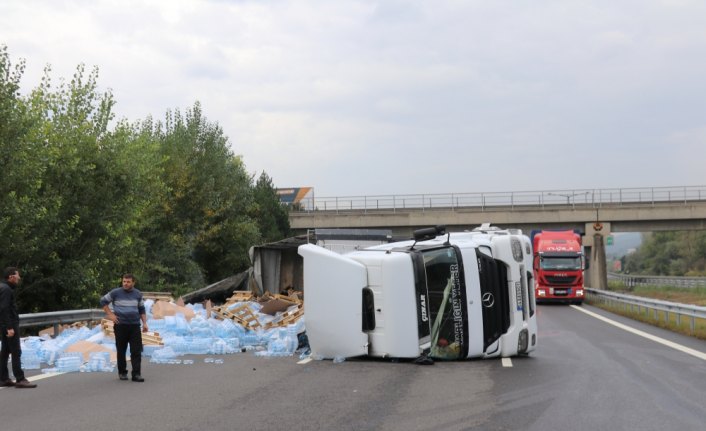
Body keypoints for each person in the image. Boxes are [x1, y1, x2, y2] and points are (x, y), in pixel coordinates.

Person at [100, 273, 148, 382]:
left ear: (133, 283)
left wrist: (144, 323)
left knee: (136, 351)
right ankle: (122, 372)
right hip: (121, 326)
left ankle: (136, 374)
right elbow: (103, 301)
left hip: (135, 326)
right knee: (121, 350)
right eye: (124, 281)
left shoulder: (138, 294)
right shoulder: (115, 292)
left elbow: (142, 309)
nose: (125, 284)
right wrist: (110, 315)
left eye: (128, 282)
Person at [0, 267, 37, 388]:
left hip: (5, 324)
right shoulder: (6, 290)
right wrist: (10, 327)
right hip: (9, 324)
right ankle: (20, 379)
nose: (19, 278)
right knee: (16, 351)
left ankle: (3, 378)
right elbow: (4, 309)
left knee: (5, 352)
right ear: (11, 277)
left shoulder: (3, 287)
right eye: (17, 275)